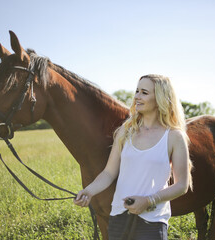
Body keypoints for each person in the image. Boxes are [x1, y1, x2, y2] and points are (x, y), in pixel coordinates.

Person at [74, 74, 193, 240]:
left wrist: (148, 200)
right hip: (119, 215)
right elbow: (109, 173)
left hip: (153, 220)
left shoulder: (174, 136)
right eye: (137, 91)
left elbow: (182, 185)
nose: (137, 96)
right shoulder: (126, 131)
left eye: (144, 92)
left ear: (160, 98)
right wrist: (89, 191)